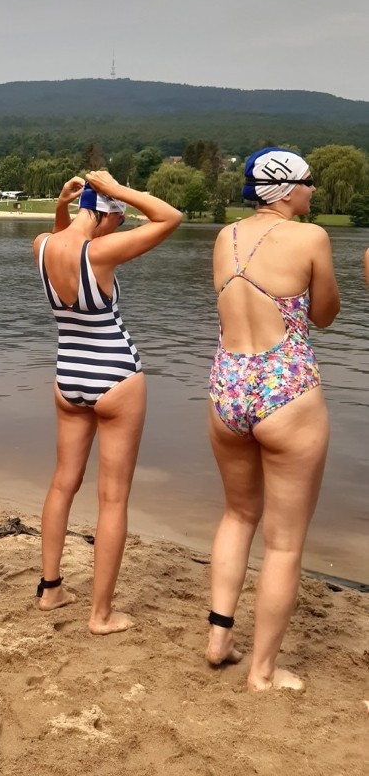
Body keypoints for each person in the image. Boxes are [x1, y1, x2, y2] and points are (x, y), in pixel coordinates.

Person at [205, 148, 339, 691]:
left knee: (238, 515)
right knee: (284, 544)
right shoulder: (312, 239)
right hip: (286, 390)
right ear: (285, 189)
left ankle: (219, 638)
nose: (314, 191)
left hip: (226, 387)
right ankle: (262, 672)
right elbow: (325, 316)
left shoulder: (223, 237)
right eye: (308, 182)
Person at [34, 170, 181, 633]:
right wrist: (119, 191)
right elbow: (169, 217)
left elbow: (62, 233)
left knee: (63, 483)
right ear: (106, 216)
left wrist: (63, 203)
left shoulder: (41, 245)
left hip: (68, 376)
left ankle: (51, 588)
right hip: (116, 376)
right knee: (113, 497)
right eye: (116, 219)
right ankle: (100, 615)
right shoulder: (100, 252)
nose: (117, 228)